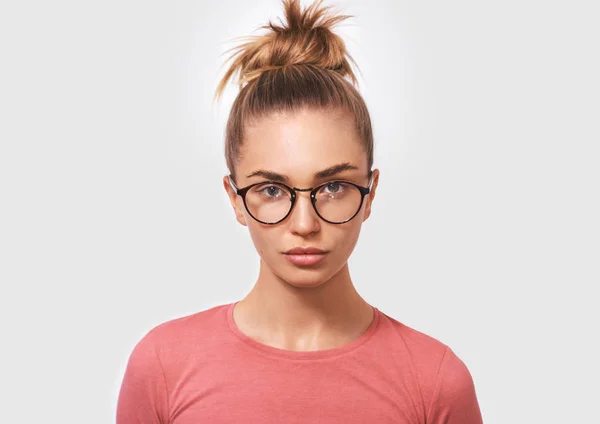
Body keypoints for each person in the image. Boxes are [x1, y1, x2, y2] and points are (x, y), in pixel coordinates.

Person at [116, 0, 484, 422]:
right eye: (272, 189)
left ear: (370, 193)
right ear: (235, 198)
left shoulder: (435, 382)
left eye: (333, 187)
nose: (305, 225)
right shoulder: (163, 367)